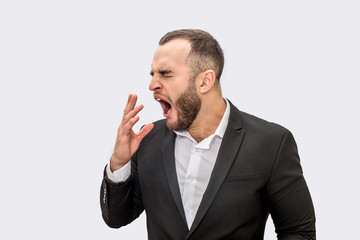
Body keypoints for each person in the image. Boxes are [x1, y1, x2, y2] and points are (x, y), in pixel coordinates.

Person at [100, 29, 316, 240]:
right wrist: (119, 163)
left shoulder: (271, 143)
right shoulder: (147, 139)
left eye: (165, 73)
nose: (152, 84)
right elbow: (117, 218)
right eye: (153, 74)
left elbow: (298, 232)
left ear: (205, 81)